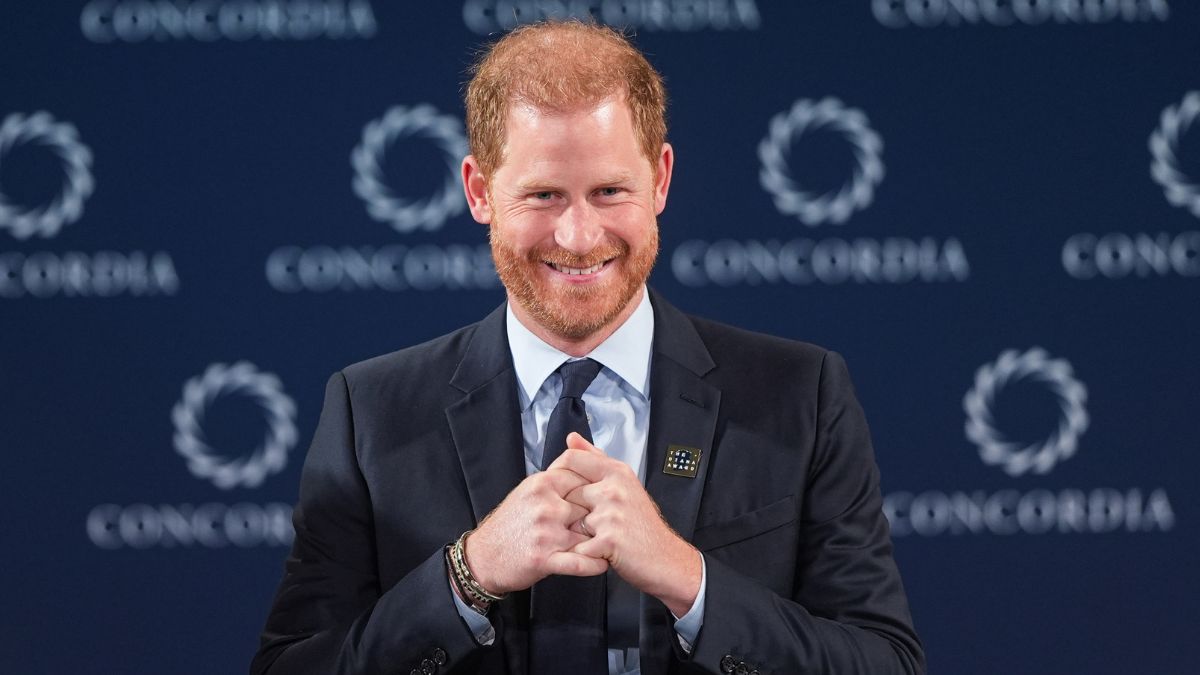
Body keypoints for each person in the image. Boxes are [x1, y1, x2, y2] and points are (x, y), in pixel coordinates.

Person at [252, 20, 924, 675]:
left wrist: (688, 579)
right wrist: (469, 573)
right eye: (543, 194)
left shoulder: (800, 396)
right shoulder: (370, 412)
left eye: (609, 191)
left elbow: (884, 662)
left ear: (660, 179)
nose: (578, 236)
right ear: (479, 191)